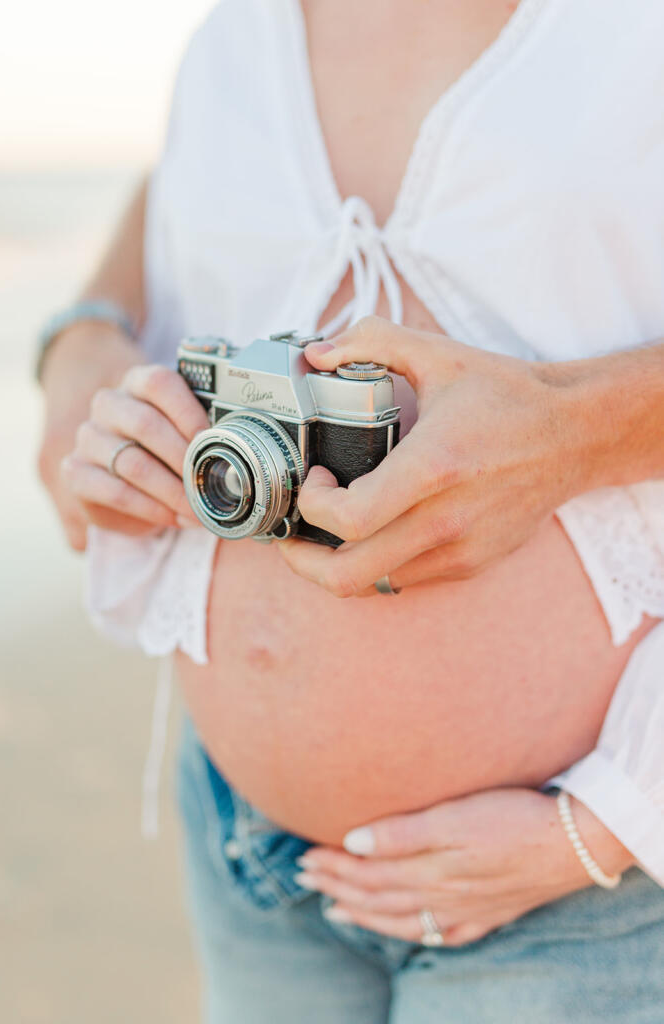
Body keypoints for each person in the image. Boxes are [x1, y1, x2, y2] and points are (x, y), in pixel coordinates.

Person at [37, 0, 664, 1020]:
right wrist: (84, 343)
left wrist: (575, 426)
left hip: (587, 878)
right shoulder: (228, 39)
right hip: (244, 856)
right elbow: (175, 194)